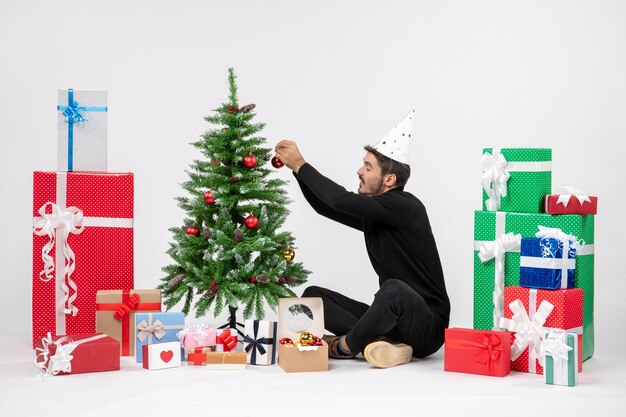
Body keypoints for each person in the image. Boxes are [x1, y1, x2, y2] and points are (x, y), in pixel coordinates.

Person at [274, 110, 450, 368]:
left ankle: (346, 346)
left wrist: (301, 163)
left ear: (389, 179)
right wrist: (296, 171)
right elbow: (327, 207)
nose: (359, 171)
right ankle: (384, 346)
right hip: (395, 321)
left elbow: (339, 199)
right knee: (313, 297)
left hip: (427, 328)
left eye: (368, 167)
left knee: (393, 289)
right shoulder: (377, 213)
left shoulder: (406, 207)